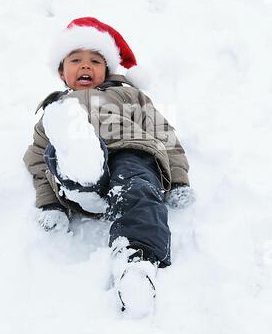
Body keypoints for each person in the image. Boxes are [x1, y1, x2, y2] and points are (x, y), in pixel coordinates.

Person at [23, 17, 195, 317]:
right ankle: (83, 179)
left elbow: (163, 133)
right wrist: (49, 203)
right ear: (62, 72)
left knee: (138, 188)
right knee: (57, 150)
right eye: (75, 60)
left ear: (108, 69)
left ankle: (136, 260)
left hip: (131, 154)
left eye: (95, 60)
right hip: (77, 163)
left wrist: (178, 179)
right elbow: (37, 158)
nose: (85, 66)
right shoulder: (55, 112)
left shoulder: (129, 95)